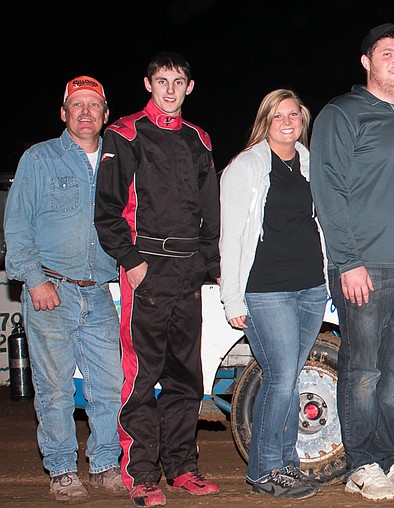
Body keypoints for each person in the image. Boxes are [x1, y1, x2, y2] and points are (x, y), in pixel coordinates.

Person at [309, 23, 394, 502]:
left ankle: (383, 454)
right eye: (387, 53)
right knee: (362, 371)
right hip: (364, 266)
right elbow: (328, 190)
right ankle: (360, 464)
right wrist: (346, 260)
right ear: (366, 61)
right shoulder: (341, 112)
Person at [94, 52, 221, 507]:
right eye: (161, 80)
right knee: (142, 376)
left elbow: (211, 210)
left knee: (186, 377)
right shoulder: (124, 133)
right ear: (148, 84)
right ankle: (141, 475)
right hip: (146, 268)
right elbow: (107, 210)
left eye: (178, 81)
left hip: (188, 272)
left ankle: (182, 468)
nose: (170, 89)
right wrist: (131, 260)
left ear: (190, 87)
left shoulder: (199, 139)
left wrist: (211, 264)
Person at [4, 76, 126, 503]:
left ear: (106, 114)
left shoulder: (117, 160)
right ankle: (60, 469)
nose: (86, 112)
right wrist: (34, 280)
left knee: (109, 385)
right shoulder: (39, 159)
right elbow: (17, 225)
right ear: (64, 113)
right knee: (55, 388)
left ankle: (106, 463)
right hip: (51, 291)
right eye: (78, 105)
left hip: (101, 291)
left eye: (94, 105)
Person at [219, 89, 326, 499]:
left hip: (311, 287)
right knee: (281, 378)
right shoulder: (244, 168)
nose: (287, 121)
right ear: (266, 120)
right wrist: (233, 298)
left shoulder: (311, 163)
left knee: (290, 379)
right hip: (266, 290)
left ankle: (286, 464)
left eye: (294, 115)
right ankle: (264, 470)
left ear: (303, 119)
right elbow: (231, 239)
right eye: (278, 115)